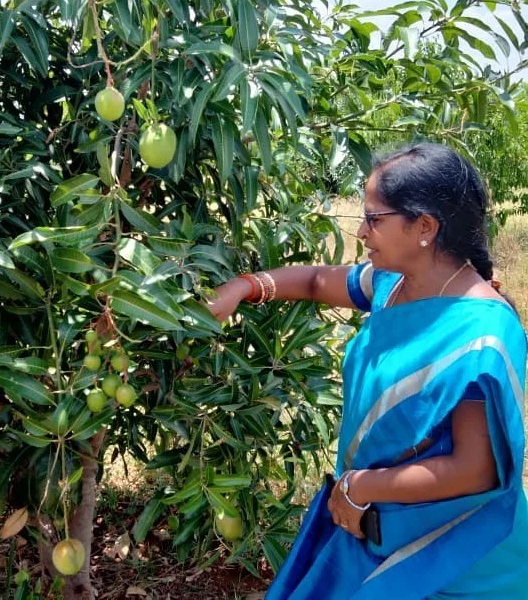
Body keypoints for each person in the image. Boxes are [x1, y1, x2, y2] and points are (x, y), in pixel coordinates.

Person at [208, 143, 528, 599]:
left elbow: (476, 470)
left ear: (424, 227)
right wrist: (244, 287)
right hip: (379, 527)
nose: (360, 231)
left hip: (451, 559)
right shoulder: (394, 285)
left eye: (374, 219)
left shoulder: (481, 334)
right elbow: (318, 281)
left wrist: (361, 485)